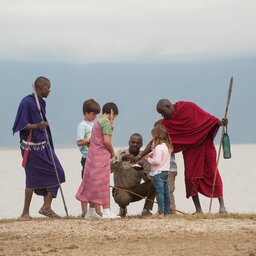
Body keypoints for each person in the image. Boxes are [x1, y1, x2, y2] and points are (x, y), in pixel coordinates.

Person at [134, 99, 228, 214]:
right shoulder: (165, 124)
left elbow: (207, 118)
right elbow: (154, 141)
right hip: (190, 150)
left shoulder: (188, 107)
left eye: (163, 112)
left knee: (213, 173)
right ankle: (198, 210)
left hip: (204, 144)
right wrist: (141, 155)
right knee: (190, 178)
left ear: (169, 106)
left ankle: (222, 206)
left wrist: (220, 123)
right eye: (160, 114)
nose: (162, 116)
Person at [12, 76, 65, 218]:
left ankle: (46, 207)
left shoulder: (40, 102)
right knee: (31, 178)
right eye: (48, 87)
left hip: (44, 145)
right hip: (30, 148)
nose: (50, 90)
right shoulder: (27, 102)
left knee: (58, 172)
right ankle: (25, 212)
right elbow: (20, 125)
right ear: (40, 87)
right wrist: (37, 126)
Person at [76, 102, 120, 219]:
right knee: (103, 183)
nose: (113, 118)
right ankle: (106, 211)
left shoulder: (97, 122)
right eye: (114, 116)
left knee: (93, 183)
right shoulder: (105, 122)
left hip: (92, 157)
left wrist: (111, 128)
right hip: (101, 158)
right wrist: (112, 152)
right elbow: (106, 141)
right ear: (112, 113)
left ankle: (91, 211)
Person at [111, 133, 156, 217]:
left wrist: (142, 171)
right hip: (121, 190)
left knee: (155, 183)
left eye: (138, 143)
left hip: (136, 191)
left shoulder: (144, 157)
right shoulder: (120, 153)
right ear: (129, 142)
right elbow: (109, 168)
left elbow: (149, 178)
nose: (135, 144)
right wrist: (121, 159)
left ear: (141, 145)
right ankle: (123, 208)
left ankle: (146, 210)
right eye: (133, 142)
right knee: (124, 199)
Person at [76, 98, 101, 218]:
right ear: (85, 113)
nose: (94, 116)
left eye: (96, 114)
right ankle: (84, 211)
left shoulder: (95, 124)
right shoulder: (82, 125)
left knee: (96, 184)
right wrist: (89, 140)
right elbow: (79, 142)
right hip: (86, 158)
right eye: (92, 114)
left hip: (95, 158)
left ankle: (97, 210)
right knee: (86, 183)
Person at [145, 125, 172, 215]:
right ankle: (167, 211)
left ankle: (161, 211)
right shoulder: (167, 147)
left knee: (160, 192)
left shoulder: (158, 148)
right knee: (166, 192)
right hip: (165, 172)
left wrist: (148, 159)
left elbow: (157, 162)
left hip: (158, 172)